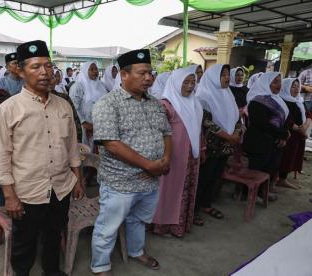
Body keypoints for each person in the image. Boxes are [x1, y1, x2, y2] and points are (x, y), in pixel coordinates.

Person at [0, 40, 84, 276]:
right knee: (25, 243)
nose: (44, 72)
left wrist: (78, 180)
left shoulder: (63, 105)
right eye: (35, 67)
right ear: (20, 71)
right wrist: (10, 196)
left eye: (48, 66)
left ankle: (51, 271)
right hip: (27, 191)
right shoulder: (8, 109)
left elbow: (72, 146)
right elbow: (0, 157)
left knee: (54, 235)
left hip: (61, 187)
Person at [90, 49, 172, 275]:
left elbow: (167, 133)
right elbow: (111, 144)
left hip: (150, 180)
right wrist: (149, 164)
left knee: (138, 220)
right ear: (124, 75)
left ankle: (136, 251)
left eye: (150, 73)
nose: (149, 78)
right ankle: (100, 265)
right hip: (121, 182)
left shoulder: (154, 103)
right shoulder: (108, 104)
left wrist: (165, 161)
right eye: (142, 73)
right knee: (108, 227)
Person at [152, 67, 203, 238]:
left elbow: (198, 129)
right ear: (175, 83)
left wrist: (200, 148)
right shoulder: (166, 105)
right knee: (168, 190)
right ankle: (162, 225)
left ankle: (180, 225)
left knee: (184, 189)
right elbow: (156, 133)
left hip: (189, 156)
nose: (190, 86)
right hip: (171, 156)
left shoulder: (195, 103)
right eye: (186, 82)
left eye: (193, 82)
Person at [195, 64, 241, 223]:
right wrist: (229, 137)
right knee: (204, 177)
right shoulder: (203, 95)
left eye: (228, 74)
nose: (228, 77)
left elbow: (237, 118)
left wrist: (235, 133)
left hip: (226, 146)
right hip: (211, 146)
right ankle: (194, 211)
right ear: (214, 77)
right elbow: (206, 122)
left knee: (216, 176)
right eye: (223, 75)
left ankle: (207, 204)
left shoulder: (228, 94)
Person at [243, 72, 289, 197]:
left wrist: (281, 136)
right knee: (256, 170)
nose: (278, 85)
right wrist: (283, 134)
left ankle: (261, 192)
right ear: (265, 83)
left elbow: (283, 119)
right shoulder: (257, 100)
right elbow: (261, 124)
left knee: (270, 168)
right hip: (258, 142)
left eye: (280, 81)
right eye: (275, 82)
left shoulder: (278, 99)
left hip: (274, 142)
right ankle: (248, 194)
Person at [277, 78, 312, 189]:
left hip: (299, 134)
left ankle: (283, 179)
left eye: (298, 86)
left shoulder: (299, 100)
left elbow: (308, 114)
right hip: (289, 134)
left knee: (293, 156)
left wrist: (305, 126)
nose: (297, 88)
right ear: (286, 87)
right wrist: (300, 130)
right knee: (286, 157)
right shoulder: (283, 101)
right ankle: (279, 179)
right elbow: (285, 119)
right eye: (293, 86)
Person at [70, 61, 108, 149]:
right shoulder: (78, 86)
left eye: (96, 69)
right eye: (91, 69)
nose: (95, 71)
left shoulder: (101, 85)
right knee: (86, 151)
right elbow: (73, 106)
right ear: (85, 71)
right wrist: (83, 122)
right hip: (85, 125)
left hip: (100, 125)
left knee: (99, 151)